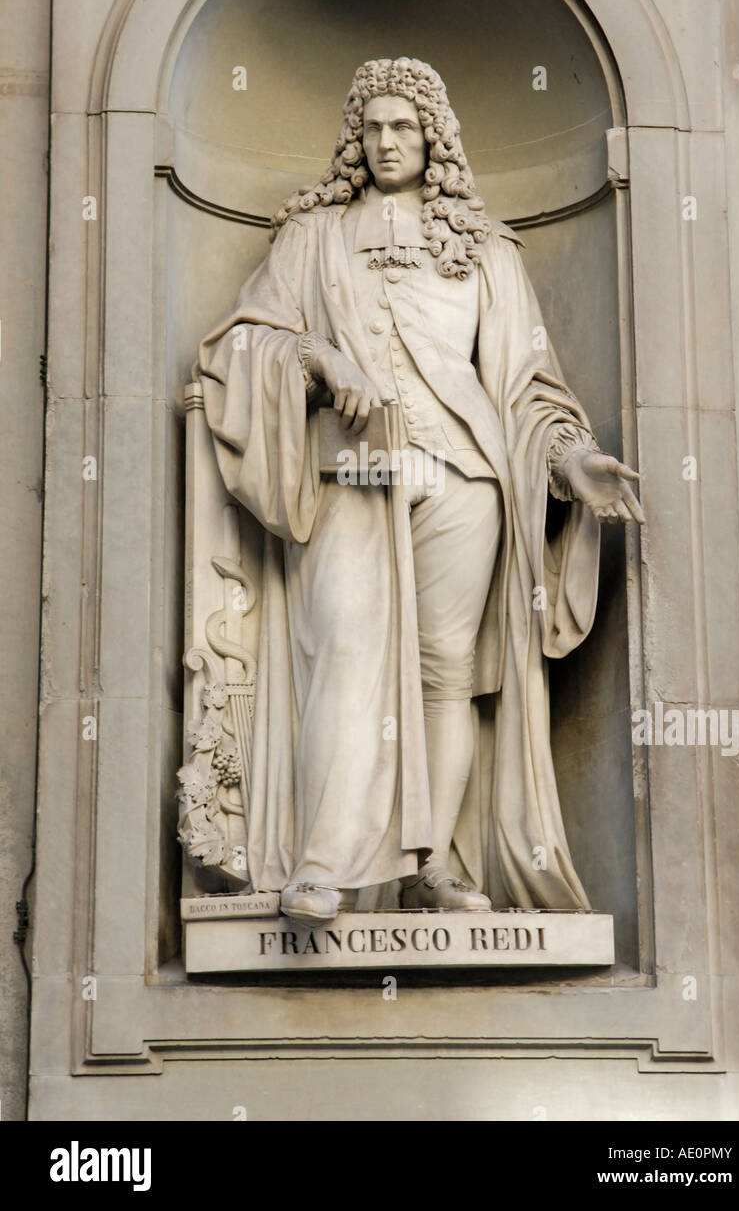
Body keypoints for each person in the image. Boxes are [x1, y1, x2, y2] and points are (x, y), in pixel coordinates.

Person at [198, 57, 644, 926]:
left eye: (404, 127)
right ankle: (322, 864)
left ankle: (432, 866)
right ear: (355, 139)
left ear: (433, 136)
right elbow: (238, 346)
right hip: (354, 475)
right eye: (373, 128)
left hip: (467, 476)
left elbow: (525, 386)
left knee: (446, 680)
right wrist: (316, 359)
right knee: (347, 653)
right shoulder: (311, 238)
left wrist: (571, 462)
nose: (387, 141)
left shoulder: (485, 248)